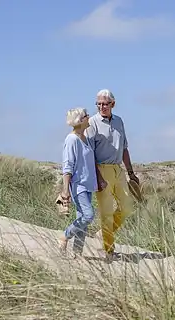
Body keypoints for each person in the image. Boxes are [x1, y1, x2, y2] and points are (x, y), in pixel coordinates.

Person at [87, 89, 140, 261]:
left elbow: (124, 148)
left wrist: (131, 173)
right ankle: (108, 249)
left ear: (113, 104)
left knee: (127, 208)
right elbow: (90, 153)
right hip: (101, 169)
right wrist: (98, 177)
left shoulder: (119, 122)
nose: (102, 106)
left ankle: (103, 234)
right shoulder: (92, 123)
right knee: (106, 212)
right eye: (99, 103)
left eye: (105, 103)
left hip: (118, 170)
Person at [59, 107, 106, 258]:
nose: (89, 117)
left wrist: (100, 180)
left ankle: (77, 254)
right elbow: (67, 166)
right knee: (88, 216)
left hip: (88, 185)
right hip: (78, 185)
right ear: (80, 121)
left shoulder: (85, 138)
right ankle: (64, 236)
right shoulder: (71, 139)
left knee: (83, 221)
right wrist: (65, 190)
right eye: (86, 116)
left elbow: (91, 162)